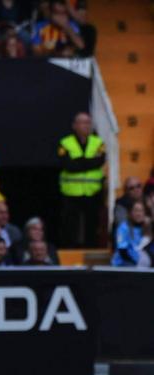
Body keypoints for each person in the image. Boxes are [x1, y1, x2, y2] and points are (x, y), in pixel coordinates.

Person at [58, 112, 105, 248]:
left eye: (88, 123)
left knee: (92, 223)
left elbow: (99, 161)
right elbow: (67, 165)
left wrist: (79, 162)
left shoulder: (98, 142)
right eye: (82, 122)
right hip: (71, 192)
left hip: (92, 191)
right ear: (74, 125)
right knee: (69, 225)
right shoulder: (65, 143)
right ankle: (69, 249)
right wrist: (88, 162)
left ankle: (91, 247)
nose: (85, 126)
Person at [111, 201, 150, 267]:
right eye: (136, 210)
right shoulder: (123, 227)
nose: (139, 214)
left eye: (141, 211)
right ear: (130, 212)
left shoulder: (147, 228)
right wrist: (136, 263)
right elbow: (122, 250)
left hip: (142, 267)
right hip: (123, 267)